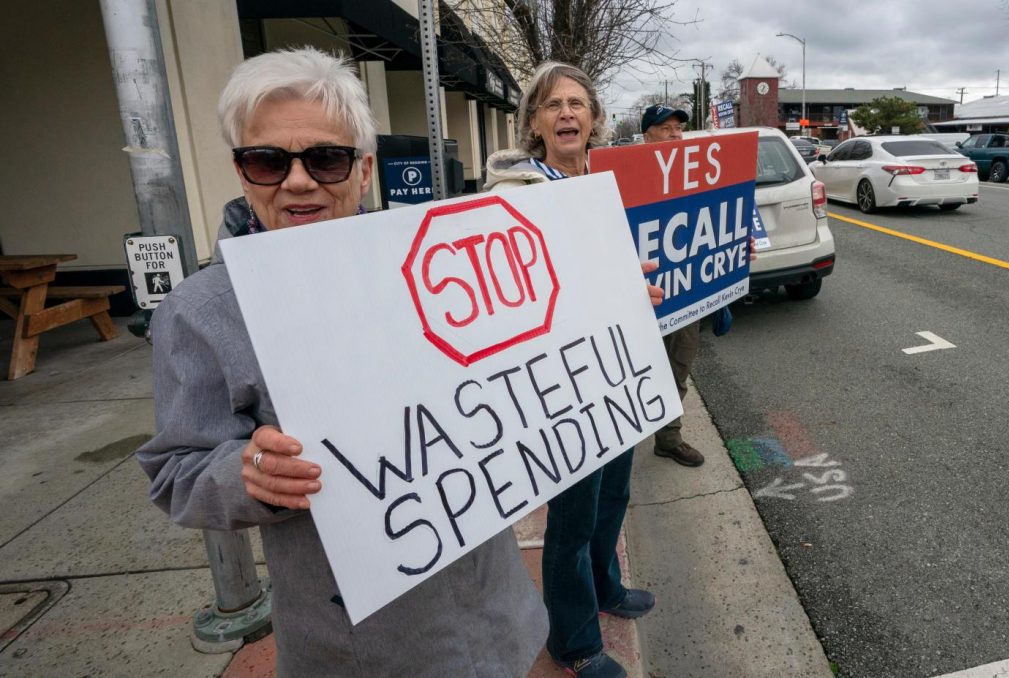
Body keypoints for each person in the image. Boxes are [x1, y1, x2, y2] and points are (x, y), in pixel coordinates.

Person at [136, 47, 547, 677]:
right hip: (360, 648)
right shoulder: (200, 312)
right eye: (268, 160)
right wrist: (248, 474)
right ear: (243, 172)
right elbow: (176, 472)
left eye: (325, 158)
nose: (298, 181)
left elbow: (520, 357)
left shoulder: (435, 263)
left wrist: (603, 297)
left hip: (496, 611)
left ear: (363, 168)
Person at [484, 62, 661, 678]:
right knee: (573, 514)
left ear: (594, 118)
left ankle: (606, 587)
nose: (566, 114)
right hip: (561, 383)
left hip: (615, 367)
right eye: (553, 104)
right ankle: (575, 640)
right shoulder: (513, 195)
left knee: (615, 491)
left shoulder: (611, 181)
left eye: (577, 104)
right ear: (534, 120)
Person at [639, 104, 707, 468]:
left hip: (685, 294)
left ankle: (668, 438)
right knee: (634, 371)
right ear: (647, 133)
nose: (675, 135)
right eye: (665, 128)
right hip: (638, 301)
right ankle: (621, 441)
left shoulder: (698, 174)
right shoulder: (626, 175)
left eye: (678, 128)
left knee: (677, 366)